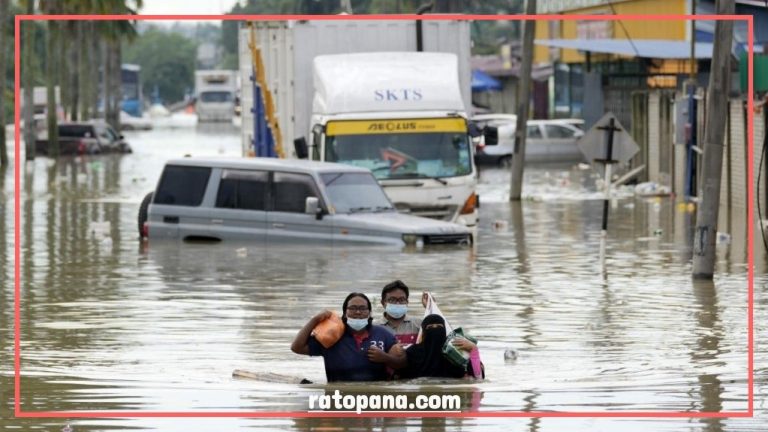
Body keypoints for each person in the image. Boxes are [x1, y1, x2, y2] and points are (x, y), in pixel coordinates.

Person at [291, 292, 398, 382]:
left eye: (362, 308)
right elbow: (297, 347)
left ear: (369, 313)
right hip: (338, 397)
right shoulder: (331, 336)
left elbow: (401, 362)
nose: (358, 312)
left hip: (376, 398)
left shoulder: (382, 334)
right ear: (345, 313)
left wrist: (385, 357)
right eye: (352, 308)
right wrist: (315, 320)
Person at [388, 314, 483, 380]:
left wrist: (474, 350)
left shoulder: (455, 352)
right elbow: (396, 376)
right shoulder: (412, 352)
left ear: (444, 331)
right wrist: (394, 352)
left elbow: (478, 376)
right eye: (430, 327)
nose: (435, 330)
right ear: (424, 332)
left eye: (439, 327)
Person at [377, 280, 425, 346]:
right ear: (383, 303)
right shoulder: (374, 328)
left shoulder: (419, 325)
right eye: (392, 300)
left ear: (407, 302)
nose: (397, 303)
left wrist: (430, 306)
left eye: (402, 300)